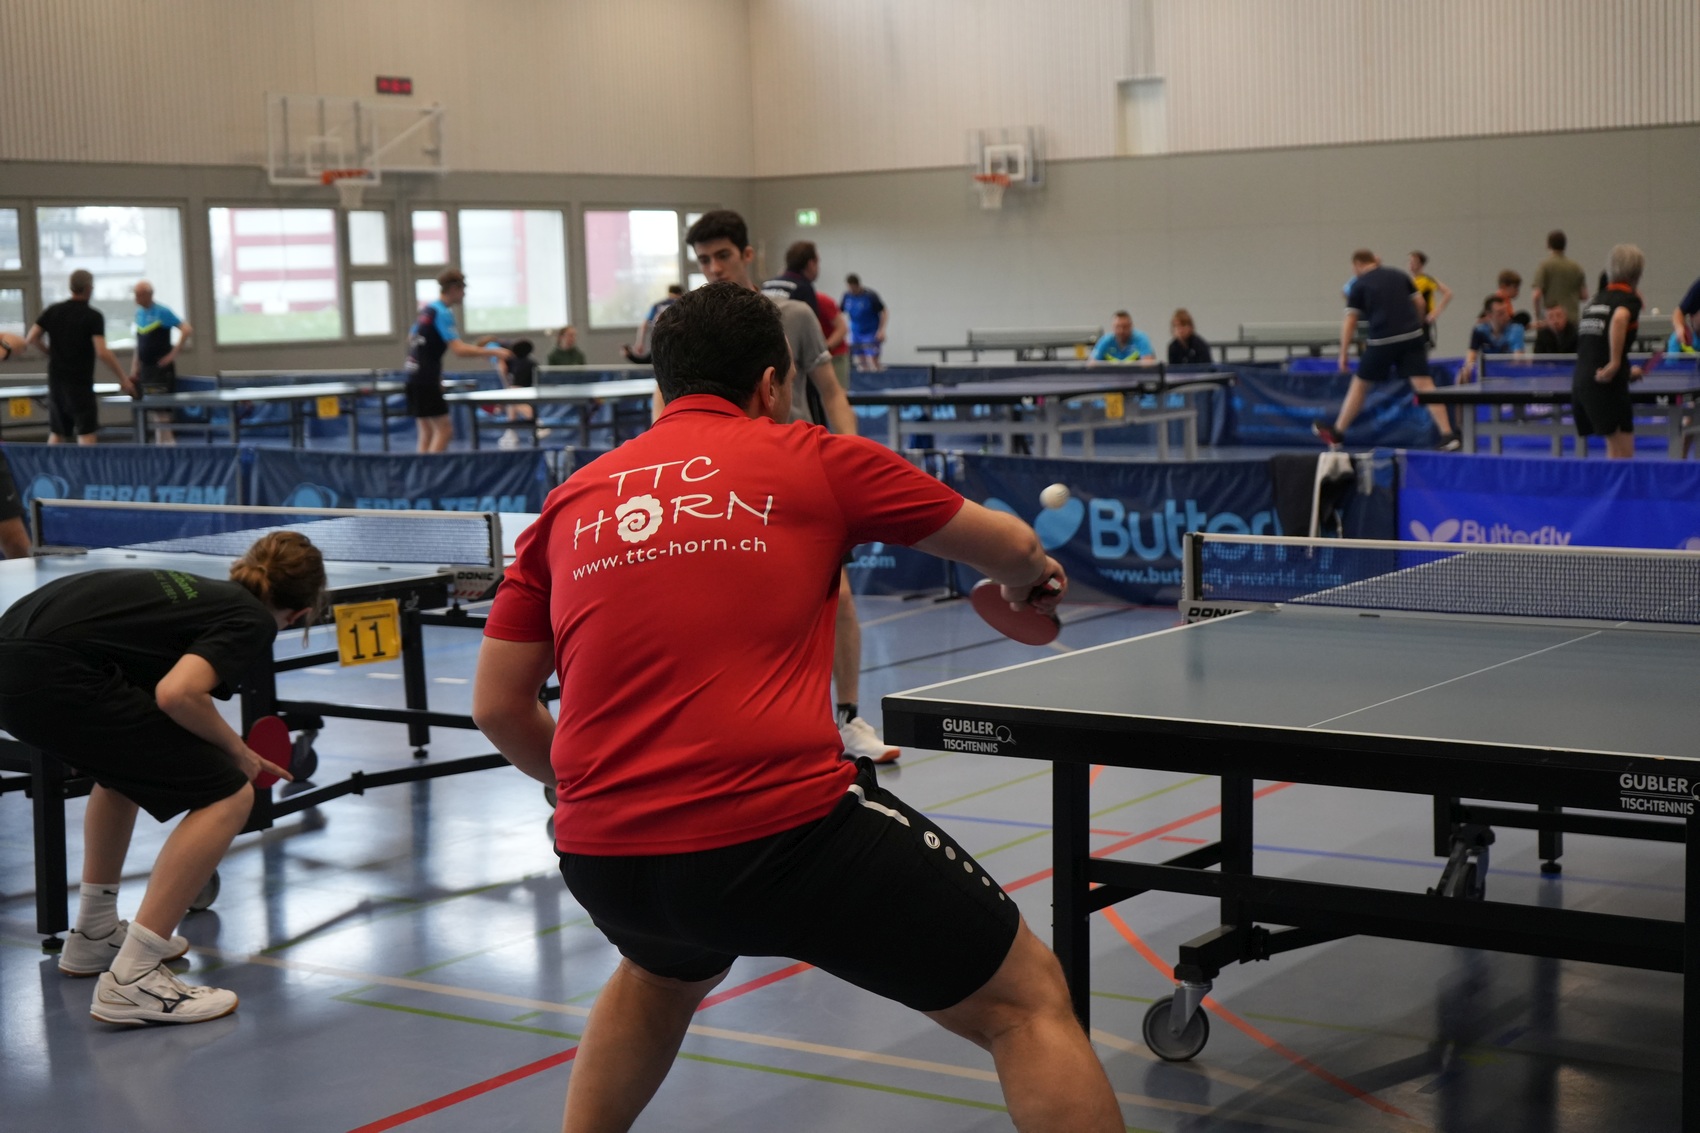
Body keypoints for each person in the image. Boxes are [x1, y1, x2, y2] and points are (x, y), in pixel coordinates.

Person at [471, 280, 1123, 1133]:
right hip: (781, 838)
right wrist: (1027, 579)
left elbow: (498, 706)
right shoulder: (812, 455)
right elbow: (1012, 542)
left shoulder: (570, 501)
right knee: (1027, 999)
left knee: (660, 974)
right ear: (772, 383)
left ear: (660, 387)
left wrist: (585, 788)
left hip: (604, 855)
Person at [0, 532, 324, 1023]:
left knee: (121, 773)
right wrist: (237, 752)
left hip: (15, 665)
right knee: (229, 794)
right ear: (298, 613)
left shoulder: (196, 595)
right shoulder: (252, 618)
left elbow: (163, 695)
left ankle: (94, 934)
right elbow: (179, 694)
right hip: (51, 674)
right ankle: (134, 979)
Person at [679, 210, 895, 763]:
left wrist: (852, 456)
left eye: (723, 256)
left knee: (838, 597)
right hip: (726, 487)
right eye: (703, 260)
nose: (714, 268)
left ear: (748, 254)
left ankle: (848, 719)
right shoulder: (690, 325)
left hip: (796, 478)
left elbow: (832, 393)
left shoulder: (794, 316)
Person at [1314, 250, 1457, 450]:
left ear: (1357, 265)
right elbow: (1420, 303)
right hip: (1412, 337)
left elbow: (1350, 321)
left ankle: (1338, 433)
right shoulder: (1400, 275)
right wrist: (1416, 326)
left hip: (1382, 341)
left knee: (1360, 385)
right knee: (1425, 384)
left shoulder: (1359, 284)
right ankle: (1448, 435)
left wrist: (1343, 354)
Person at [405, 268, 510, 454]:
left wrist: (436, 375)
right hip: (426, 378)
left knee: (427, 432)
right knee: (445, 431)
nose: (464, 295)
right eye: (463, 290)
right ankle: (433, 471)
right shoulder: (443, 312)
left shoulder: (427, 310)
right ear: (454, 289)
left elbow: (412, 341)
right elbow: (459, 350)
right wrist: (493, 351)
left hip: (413, 374)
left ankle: (422, 471)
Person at [24, 270, 130, 445]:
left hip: (56, 381)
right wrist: (123, 378)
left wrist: (49, 352)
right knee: (86, 431)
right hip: (80, 383)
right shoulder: (93, 316)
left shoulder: (53, 310)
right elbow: (102, 352)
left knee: (57, 432)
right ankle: (87, 465)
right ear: (89, 288)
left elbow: (32, 337)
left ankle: (49, 464)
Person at [1572, 244, 1646, 460]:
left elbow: (1596, 345)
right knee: (1622, 456)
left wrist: (1624, 372)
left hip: (1583, 381)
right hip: (1605, 384)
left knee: (1616, 452)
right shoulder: (1629, 299)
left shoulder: (1595, 300)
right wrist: (1614, 365)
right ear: (1637, 273)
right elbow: (1620, 318)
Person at [130, 280, 191, 446]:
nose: (135, 298)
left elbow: (186, 330)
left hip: (161, 369)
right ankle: (160, 442)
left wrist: (172, 355)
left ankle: (168, 442)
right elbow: (139, 343)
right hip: (146, 368)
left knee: (162, 407)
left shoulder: (163, 312)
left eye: (138, 295)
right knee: (153, 408)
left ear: (148, 295)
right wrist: (135, 365)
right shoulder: (139, 314)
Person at [1455, 295, 1524, 383]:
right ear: (1489, 316)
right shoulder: (1480, 330)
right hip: (1487, 375)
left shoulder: (1516, 329)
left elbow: (1518, 359)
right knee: (1461, 373)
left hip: (1509, 376)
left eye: (1506, 312)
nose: (1506, 316)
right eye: (1500, 313)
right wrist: (1468, 367)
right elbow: (1471, 354)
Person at [496, 338, 546, 449]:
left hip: (525, 392)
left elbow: (512, 385)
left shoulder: (519, 364)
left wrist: (502, 371)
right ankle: (511, 432)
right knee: (511, 399)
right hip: (529, 391)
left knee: (512, 396)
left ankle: (538, 424)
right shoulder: (529, 362)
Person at [1530, 229, 1588, 323]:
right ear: (1565, 246)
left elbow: (1536, 295)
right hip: (1572, 320)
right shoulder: (1576, 267)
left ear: (1548, 245)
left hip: (1552, 321)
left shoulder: (1545, 266)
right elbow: (1584, 296)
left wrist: (1538, 316)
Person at [624, 285, 683, 363]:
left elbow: (644, 325)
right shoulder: (682, 305)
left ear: (669, 293)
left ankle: (628, 355)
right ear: (681, 293)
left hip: (659, 341)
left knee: (653, 361)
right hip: (677, 342)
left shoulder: (657, 305)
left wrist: (640, 343)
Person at [841, 273, 887, 370]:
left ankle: (877, 374)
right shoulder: (847, 296)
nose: (851, 290)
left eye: (852, 287)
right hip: (856, 332)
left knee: (873, 361)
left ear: (857, 285)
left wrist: (881, 330)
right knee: (861, 362)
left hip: (870, 332)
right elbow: (839, 312)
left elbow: (884, 312)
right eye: (849, 287)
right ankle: (864, 376)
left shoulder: (870, 296)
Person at [762, 241, 822, 315]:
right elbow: (810, 320)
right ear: (811, 264)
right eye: (817, 263)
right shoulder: (804, 289)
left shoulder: (767, 285)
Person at [1408, 251, 1453, 344]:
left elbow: (1448, 293)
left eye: (1414, 262)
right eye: (1410, 261)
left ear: (1421, 265)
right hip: (1410, 319)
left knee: (1422, 345)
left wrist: (1435, 312)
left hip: (1423, 319)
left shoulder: (1427, 280)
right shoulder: (1408, 281)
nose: (1411, 264)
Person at [813, 288, 851, 390]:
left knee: (837, 391)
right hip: (813, 357)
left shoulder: (822, 301)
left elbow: (842, 329)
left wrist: (824, 348)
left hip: (835, 355)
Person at [1089, 311, 1154, 363]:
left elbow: (1148, 363)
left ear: (1131, 326)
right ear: (1113, 327)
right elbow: (1092, 363)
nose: (1121, 331)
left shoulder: (1141, 339)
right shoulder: (1105, 340)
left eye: (1125, 327)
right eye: (1117, 327)